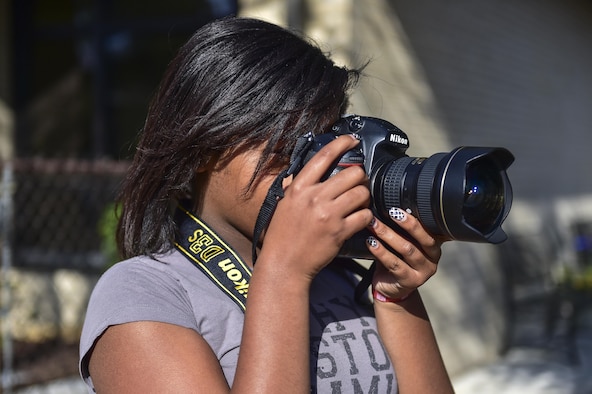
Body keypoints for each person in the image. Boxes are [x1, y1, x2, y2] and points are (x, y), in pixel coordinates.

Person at [79, 16, 454, 393]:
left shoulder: (340, 275)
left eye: (320, 148)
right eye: (288, 149)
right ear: (205, 147)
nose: (307, 172)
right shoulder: (144, 294)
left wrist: (393, 294)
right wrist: (284, 273)